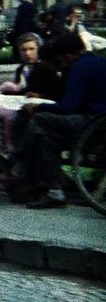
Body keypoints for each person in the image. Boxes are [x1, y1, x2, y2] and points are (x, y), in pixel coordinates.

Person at [11, 33, 106, 209]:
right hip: (97, 123)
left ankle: (21, 168)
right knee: (47, 140)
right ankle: (54, 192)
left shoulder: (79, 68)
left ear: (68, 55)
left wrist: (37, 107)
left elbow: (67, 107)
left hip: (93, 125)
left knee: (39, 120)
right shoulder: (98, 62)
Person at [0, 33, 63, 156]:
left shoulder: (45, 69)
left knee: (9, 117)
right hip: (20, 104)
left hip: (34, 109)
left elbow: (55, 93)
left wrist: (39, 95)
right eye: (24, 50)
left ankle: (8, 145)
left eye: (31, 49)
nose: (27, 53)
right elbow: (20, 90)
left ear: (38, 50)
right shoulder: (21, 69)